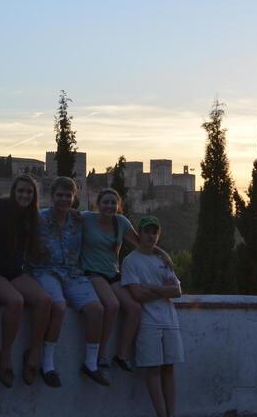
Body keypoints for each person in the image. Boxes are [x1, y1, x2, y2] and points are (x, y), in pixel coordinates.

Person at [0, 175, 52, 387]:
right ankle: (4, 355)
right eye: (21, 191)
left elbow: (59, 215)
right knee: (15, 301)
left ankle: (33, 353)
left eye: (29, 192)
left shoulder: (32, 217)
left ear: (34, 196)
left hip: (14, 272)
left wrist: (76, 214)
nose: (24, 195)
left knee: (44, 301)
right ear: (14, 191)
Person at [28, 176, 108, 387]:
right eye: (59, 195)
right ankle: (48, 365)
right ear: (52, 196)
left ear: (74, 197)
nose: (63, 200)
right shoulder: (39, 219)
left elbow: (114, 221)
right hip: (46, 271)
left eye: (68, 196)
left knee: (96, 310)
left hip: (73, 273)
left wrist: (158, 250)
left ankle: (91, 364)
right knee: (58, 306)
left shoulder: (81, 220)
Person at [121, 216, 183, 417]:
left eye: (154, 232)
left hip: (170, 321)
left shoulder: (163, 260)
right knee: (154, 369)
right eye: (147, 231)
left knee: (168, 369)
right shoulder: (131, 261)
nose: (151, 236)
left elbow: (177, 291)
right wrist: (162, 290)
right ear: (140, 234)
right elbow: (137, 294)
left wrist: (150, 287)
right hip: (149, 323)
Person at [81, 188, 146, 371]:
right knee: (112, 305)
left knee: (134, 308)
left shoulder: (121, 222)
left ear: (118, 206)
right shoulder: (86, 218)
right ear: (98, 204)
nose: (109, 206)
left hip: (112, 273)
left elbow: (142, 244)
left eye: (113, 203)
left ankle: (121, 355)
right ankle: (101, 355)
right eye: (105, 202)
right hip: (91, 272)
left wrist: (163, 255)